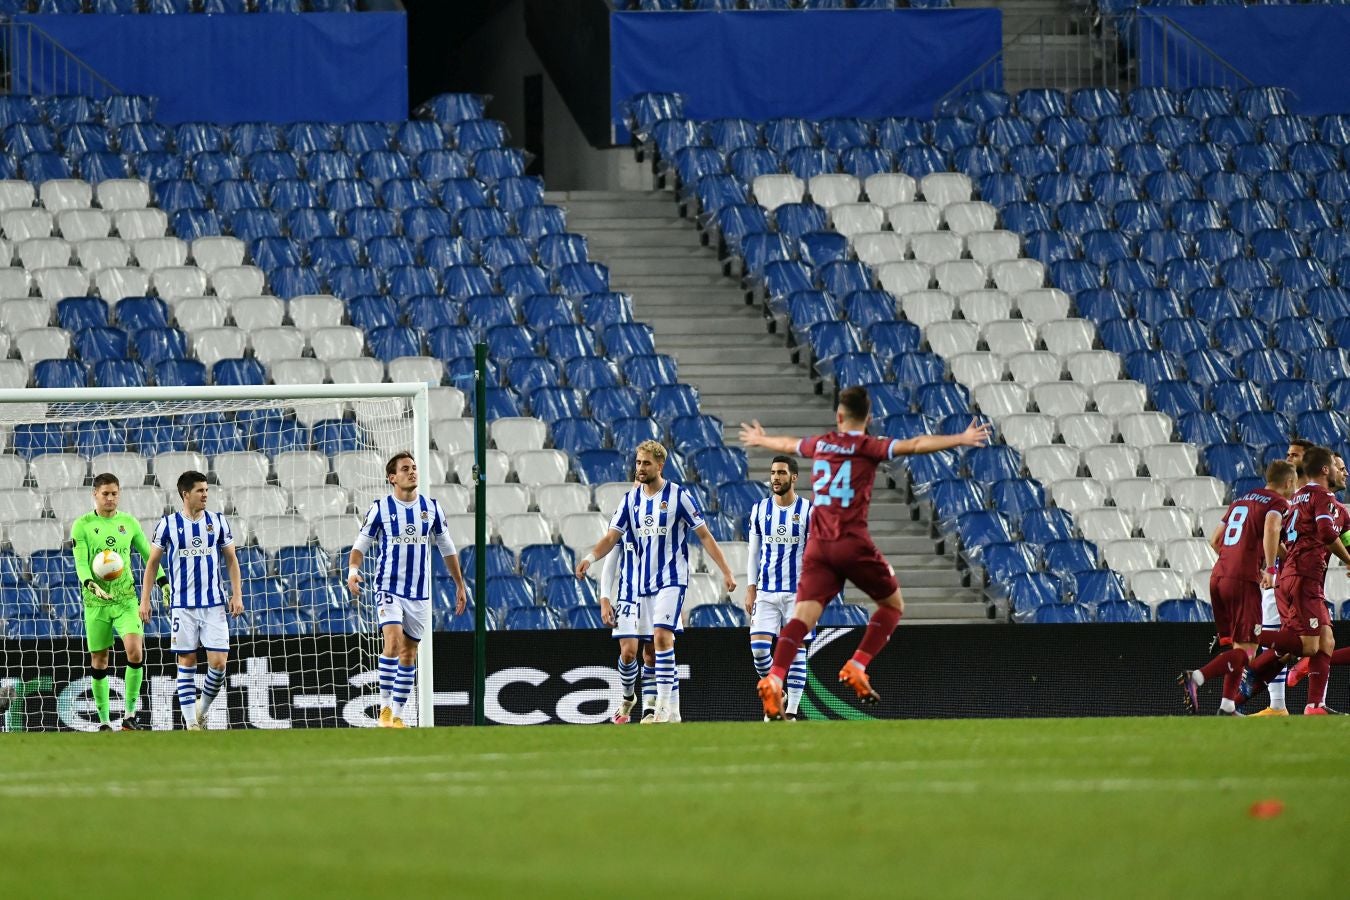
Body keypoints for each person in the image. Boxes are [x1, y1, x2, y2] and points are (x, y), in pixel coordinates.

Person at [739, 386, 991, 719]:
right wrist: (959, 438)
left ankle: (774, 678)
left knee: (801, 618)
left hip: (818, 546)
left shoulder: (822, 443)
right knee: (892, 605)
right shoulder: (868, 446)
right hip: (852, 543)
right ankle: (857, 665)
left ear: (839, 416)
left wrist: (761, 439)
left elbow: (789, 445)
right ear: (868, 419)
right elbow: (914, 445)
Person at [577, 440, 736, 724]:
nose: (640, 468)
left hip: (671, 580)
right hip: (637, 588)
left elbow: (704, 536)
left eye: (646, 463)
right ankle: (653, 705)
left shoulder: (679, 496)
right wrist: (590, 558)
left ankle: (662, 706)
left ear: (660, 466)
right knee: (633, 652)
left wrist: (726, 571)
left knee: (662, 638)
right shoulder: (630, 501)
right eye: (638, 463)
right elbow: (611, 539)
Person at [349, 452, 468, 729]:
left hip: (419, 594)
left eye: (414, 468)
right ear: (392, 478)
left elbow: (447, 548)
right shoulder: (380, 509)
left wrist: (459, 583)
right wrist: (353, 572)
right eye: (405, 469)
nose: (412, 472)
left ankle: (399, 714)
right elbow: (359, 547)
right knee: (392, 643)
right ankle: (385, 709)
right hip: (388, 587)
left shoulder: (432, 508)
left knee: (409, 654)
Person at [1179, 461, 1296, 715]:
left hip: (1219, 577)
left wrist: (1240, 559)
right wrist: (1271, 569)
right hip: (1242, 582)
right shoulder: (1278, 503)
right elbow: (1272, 528)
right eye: (1293, 485)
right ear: (1288, 483)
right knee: (1247, 653)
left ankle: (1227, 706)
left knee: (1237, 648)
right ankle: (1197, 677)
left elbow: (1215, 540)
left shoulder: (1241, 500)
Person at [1240, 446, 1350, 714]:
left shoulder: (1309, 503)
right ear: (1326, 470)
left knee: (1323, 642)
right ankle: (1247, 635)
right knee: (1309, 645)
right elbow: (1326, 533)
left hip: (1294, 578)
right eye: (1338, 466)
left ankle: (1313, 705)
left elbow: (1343, 536)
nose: (1343, 471)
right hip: (1303, 580)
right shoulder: (1320, 498)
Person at [139, 471, 244, 730]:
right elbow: (152, 564)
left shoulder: (218, 521)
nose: (205, 494)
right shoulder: (167, 525)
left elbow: (231, 559)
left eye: (207, 490)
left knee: (219, 664)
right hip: (182, 606)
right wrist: (145, 600)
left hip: (214, 604)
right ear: (186, 494)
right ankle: (190, 723)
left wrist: (237, 594)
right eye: (200, 490)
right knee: (186, 662)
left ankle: (201, 709)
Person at [70, 472, 165, 731]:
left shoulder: (129, 523)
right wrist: (90, 584)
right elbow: (80, 563)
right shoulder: (82, 525)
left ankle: (130, 715)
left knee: (135, 651)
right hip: (96, 602)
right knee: (100, 660)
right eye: (105, 494)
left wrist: (163, 581)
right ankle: (103, 722)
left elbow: (149, 556)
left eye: (114, 493)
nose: (110, 498)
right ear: (95, 495)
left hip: (126, 600)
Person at [745, 455, 813, 720]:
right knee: (759, 650)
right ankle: (777, 693)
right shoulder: (760, 510)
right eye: (773, 473)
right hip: (766, 591)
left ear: (793, 477)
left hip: (798, 592)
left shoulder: (808, 511)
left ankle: (792, 712)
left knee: (797, 651)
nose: (776, 477)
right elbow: (753, 552)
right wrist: (751, 587)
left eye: (782, 473)